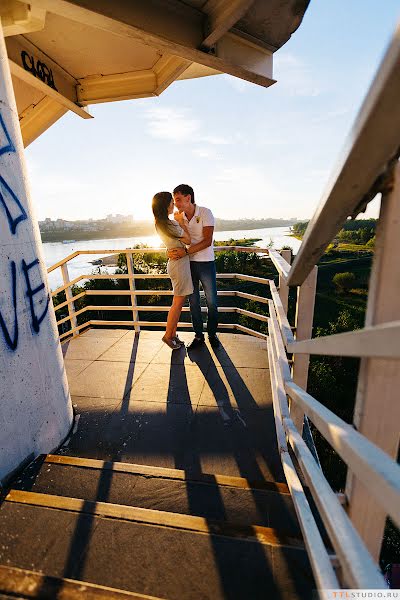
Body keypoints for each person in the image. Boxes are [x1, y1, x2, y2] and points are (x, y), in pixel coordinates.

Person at [167, 184, 219, 349]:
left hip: (206, 263)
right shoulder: (178, 217)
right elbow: (174, 239)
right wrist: (170, 252)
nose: (176, 204)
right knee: (194, 302)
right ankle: (198, 336)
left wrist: (186, 252)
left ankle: (212, 334)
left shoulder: (205, 212)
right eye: (175, 201)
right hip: (187, 265)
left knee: (212, 302)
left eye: (178, 200)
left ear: (188, 197)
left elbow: (207, 241)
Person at [152, 191, 193, 350]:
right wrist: (181, 221)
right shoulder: (171, 224)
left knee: (178, 303)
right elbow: (188, 240)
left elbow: (171, 243)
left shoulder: (160, 223)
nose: (173, 205)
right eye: (171, 202)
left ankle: (173, 334)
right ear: (165, 205)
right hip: (179, 264)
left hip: (175, 262)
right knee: (177, 304)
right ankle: (168, 336)